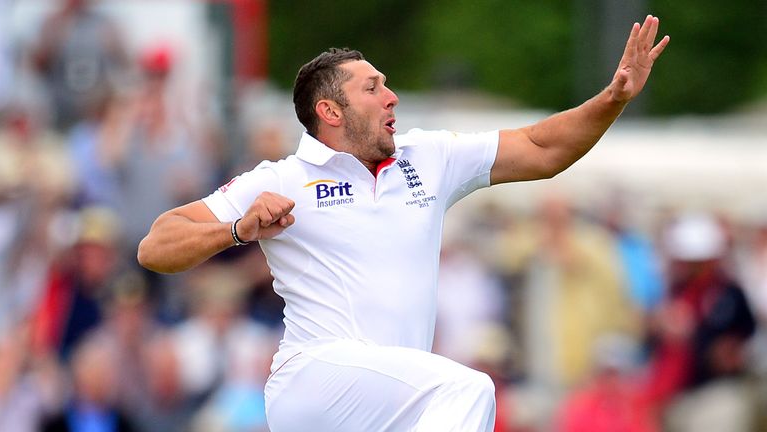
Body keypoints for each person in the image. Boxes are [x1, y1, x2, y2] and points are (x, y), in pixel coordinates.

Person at [138, 15, 669, 431]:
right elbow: (156, 246)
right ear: (330, 111)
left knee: (453, 396)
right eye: (372, 88)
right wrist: (237, 229)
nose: (391, 97)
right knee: (469, 391)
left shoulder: (428, 157)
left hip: (394, 403)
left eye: (386, 85)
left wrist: (613, 97)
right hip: (314, 381)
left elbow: (541, 148)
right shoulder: (281, 178)